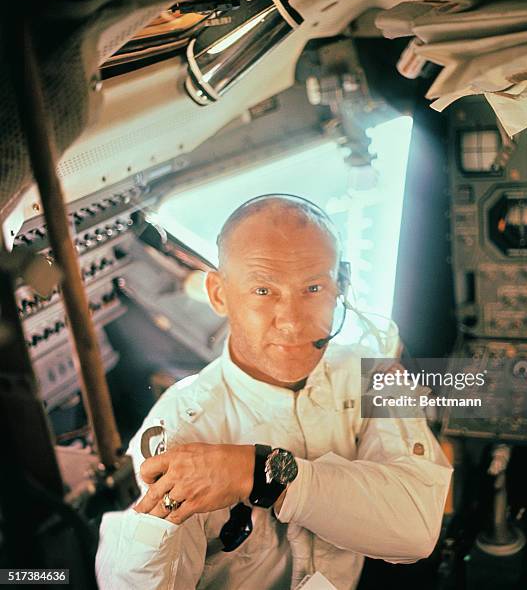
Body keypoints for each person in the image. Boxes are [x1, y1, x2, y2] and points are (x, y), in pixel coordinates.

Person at [95, 195, 453, 590]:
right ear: (218, 294)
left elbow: (415, 530)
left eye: (313, 287)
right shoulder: (181, 425)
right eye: (264, 291)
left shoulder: (376, 375)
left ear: (341, 287)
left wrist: (261, 474)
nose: (293, 321)